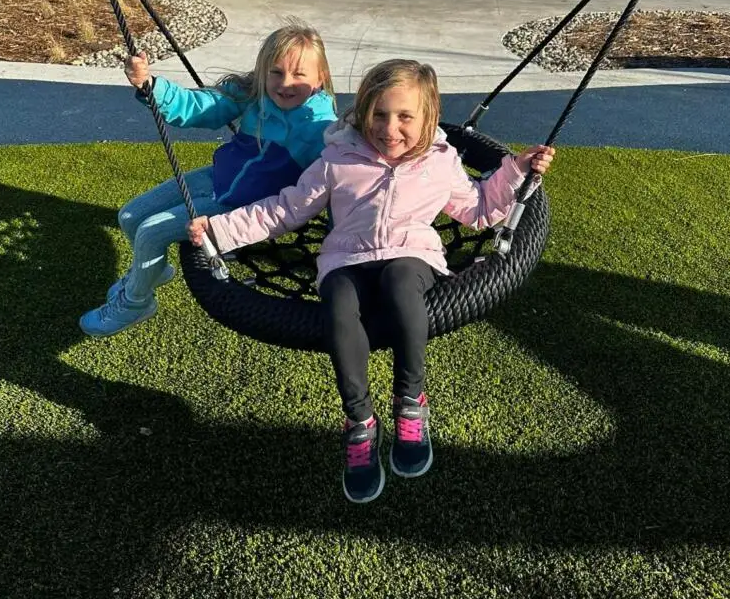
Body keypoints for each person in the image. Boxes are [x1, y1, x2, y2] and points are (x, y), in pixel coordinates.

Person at [187, 58, 555, 504]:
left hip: (411, 254)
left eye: (404, 117)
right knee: (339, 308)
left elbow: (479, 210)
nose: (389, 129)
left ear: (428, 118)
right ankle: (359, 421)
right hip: (346, 257)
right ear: (363, 113)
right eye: (379, 114)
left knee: (401, 284)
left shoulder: (440, 163)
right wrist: (220, 231)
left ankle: (410, 401)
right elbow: (285, 209)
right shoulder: (337, 159)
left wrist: (516, 171)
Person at [80, 21, 337, 339]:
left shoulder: (320, 128)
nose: (285, 83)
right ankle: (153, 272)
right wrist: (150, 85)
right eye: (276, 72)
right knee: (130, 216)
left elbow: (340, 177)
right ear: (262, 72)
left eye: (299, 74)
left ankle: (136, 302)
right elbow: (200, 106)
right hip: (217, 178)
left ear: (320, 77)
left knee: (150, 232)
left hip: (242, 206)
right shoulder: (254, 96)